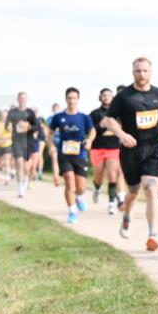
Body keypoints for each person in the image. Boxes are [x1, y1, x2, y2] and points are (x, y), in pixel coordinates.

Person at [102, 57, 158, 251]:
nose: (141, 74)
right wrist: (121, 134)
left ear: (150, 73)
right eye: (138, 71)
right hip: (130, 150)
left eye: (145, 71)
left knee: (152, 188)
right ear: (133, 72)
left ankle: (153, 235)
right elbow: (109, 120)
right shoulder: (124, 96)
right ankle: (127, 216)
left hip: (153, 148)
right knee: (134, 192)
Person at [47, 87, 96, 223]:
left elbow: (92, 131)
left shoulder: (84, 117)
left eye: (74, 98)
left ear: (78, 100)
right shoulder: (59, 117)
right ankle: (72, 212)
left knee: (81, 187)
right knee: (69, 181)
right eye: (69, 98)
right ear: (66, 99)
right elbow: (50, 133)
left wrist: (90, 140)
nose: (72, 101)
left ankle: (79, 197)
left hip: (79, 154)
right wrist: (51, 145)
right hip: (64, 153)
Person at [90, 88, 125, 214]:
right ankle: (97, 188)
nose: (106, 97)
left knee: (112, 174)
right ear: (100, 97)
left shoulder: (118, 113)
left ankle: (111, 203)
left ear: (113, 97)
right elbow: (92, 130)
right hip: (98, 148)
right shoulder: (94, 114)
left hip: (113, 148)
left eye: (109, 95)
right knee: (98, 177)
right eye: (104, 95)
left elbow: (123, 127)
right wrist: (102, 126)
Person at [6, 93, 40, 197]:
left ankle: (26, 179)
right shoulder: (12, 112)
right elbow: (7, 125)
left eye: (24, 98)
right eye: (20, 98)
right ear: (17, 99)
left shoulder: (30, 113)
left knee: (26, 166)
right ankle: (20, 187)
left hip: (28, 141)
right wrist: (9, 128)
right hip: (16, 141)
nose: (22, 100)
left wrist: (28, 126)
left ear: (27, 99)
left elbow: (36, 127)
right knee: (19, 163)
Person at [0, 109, 13, 184]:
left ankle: (7, 177)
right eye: (3, 116)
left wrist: (6, 138)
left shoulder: (10, 124)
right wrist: (0, 139)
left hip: (8, 145)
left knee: (7, 161)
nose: (4, 117)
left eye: (5, 116)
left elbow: (13, 134)